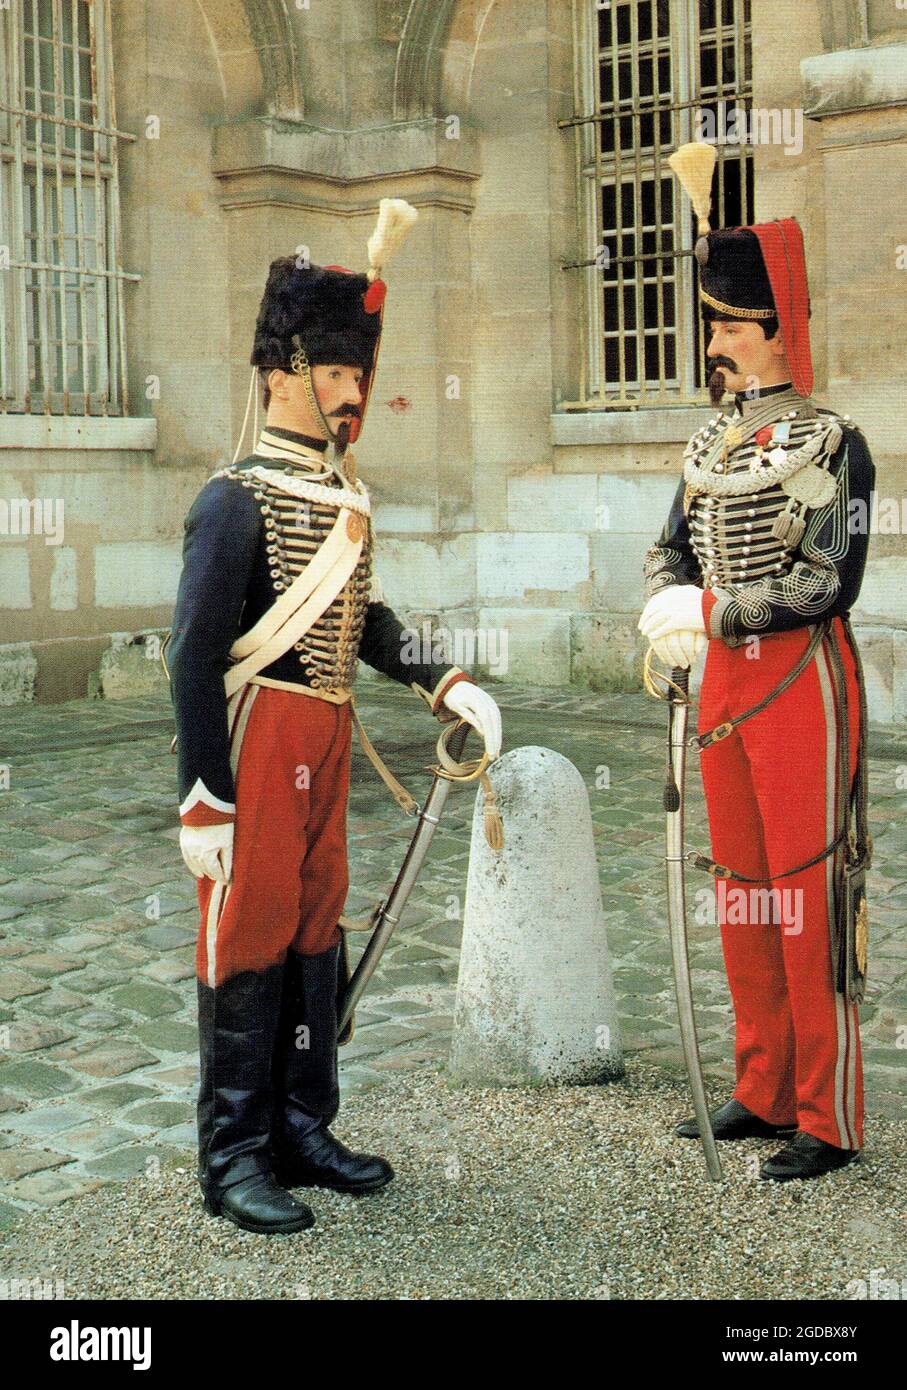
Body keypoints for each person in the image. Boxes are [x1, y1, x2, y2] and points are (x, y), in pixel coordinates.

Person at [167, 202, 502, 1234]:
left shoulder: (342, 496)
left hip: (326, 737)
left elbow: (364, 620)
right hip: (260, 735)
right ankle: (232, 1155)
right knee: (250, 933)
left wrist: (442, 680)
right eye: (337, 374)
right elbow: (188, 653)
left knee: (317, 928)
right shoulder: (234, 499)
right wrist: (205, 798)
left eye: (360, 376)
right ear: (281, 375)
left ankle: (303, 1125)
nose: (355, 395)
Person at [639, 189, 875, 1182]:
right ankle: (762, 1083)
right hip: (722, 691)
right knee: (739, 889)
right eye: (712, 324)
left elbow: (828, 580)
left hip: (799, 683)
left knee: (807, 889)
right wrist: (667, 616)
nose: (716, 342)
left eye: (729, 324)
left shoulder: (833, 442)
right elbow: (666, 549)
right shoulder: (708, 444)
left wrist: (716, 616)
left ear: (777, 330)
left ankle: (826, 1111)